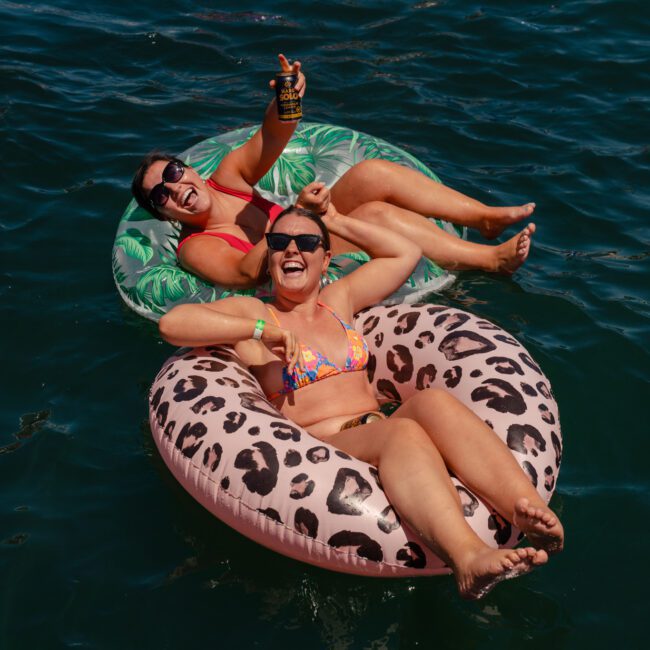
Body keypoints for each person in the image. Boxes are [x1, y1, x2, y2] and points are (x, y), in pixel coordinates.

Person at [158, 204, 563, 600]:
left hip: (376, 424)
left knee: (433, 401)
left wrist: (335, 218)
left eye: (307, 242)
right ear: (269, 255)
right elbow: (173, 324)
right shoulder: (256, 311)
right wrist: (263, 332)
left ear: (325, 256)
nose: (292, 250)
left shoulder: (339, 302)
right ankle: (467, 557)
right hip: (324, 448)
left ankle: (522, 508)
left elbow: (403, 253)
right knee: (401, 432)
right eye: (280, 241)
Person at [131, 54, 537, 289]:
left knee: (372, 173)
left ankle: (483, 217)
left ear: (190, 171)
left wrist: (287, 95)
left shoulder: (227, 179)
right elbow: (242, 273)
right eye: (160, 196)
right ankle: (489, 260)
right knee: (373, 216)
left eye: (173, 174)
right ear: (163, 214)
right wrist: (299, 216)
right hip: (292, 262)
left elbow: (273, 135)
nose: (174, 188)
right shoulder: (195, 247)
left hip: (307, 226)